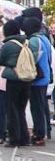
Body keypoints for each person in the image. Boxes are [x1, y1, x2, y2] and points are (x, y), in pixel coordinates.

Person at [0, 20, 31, 147]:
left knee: (12, 109)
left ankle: (14, 139)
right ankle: (24, 138)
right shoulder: (26, 42)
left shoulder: (8, 45)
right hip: (26, 79)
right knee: (21, 109)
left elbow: (0, 60)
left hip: (13, 79)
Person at [23, 17, 50, 146]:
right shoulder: (44, 38)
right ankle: (42, 132)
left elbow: (31, 59)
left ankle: (39, 135)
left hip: (37, 79)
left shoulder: (34, 40)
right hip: (44, 76)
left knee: (36, 108)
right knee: (40, 107)